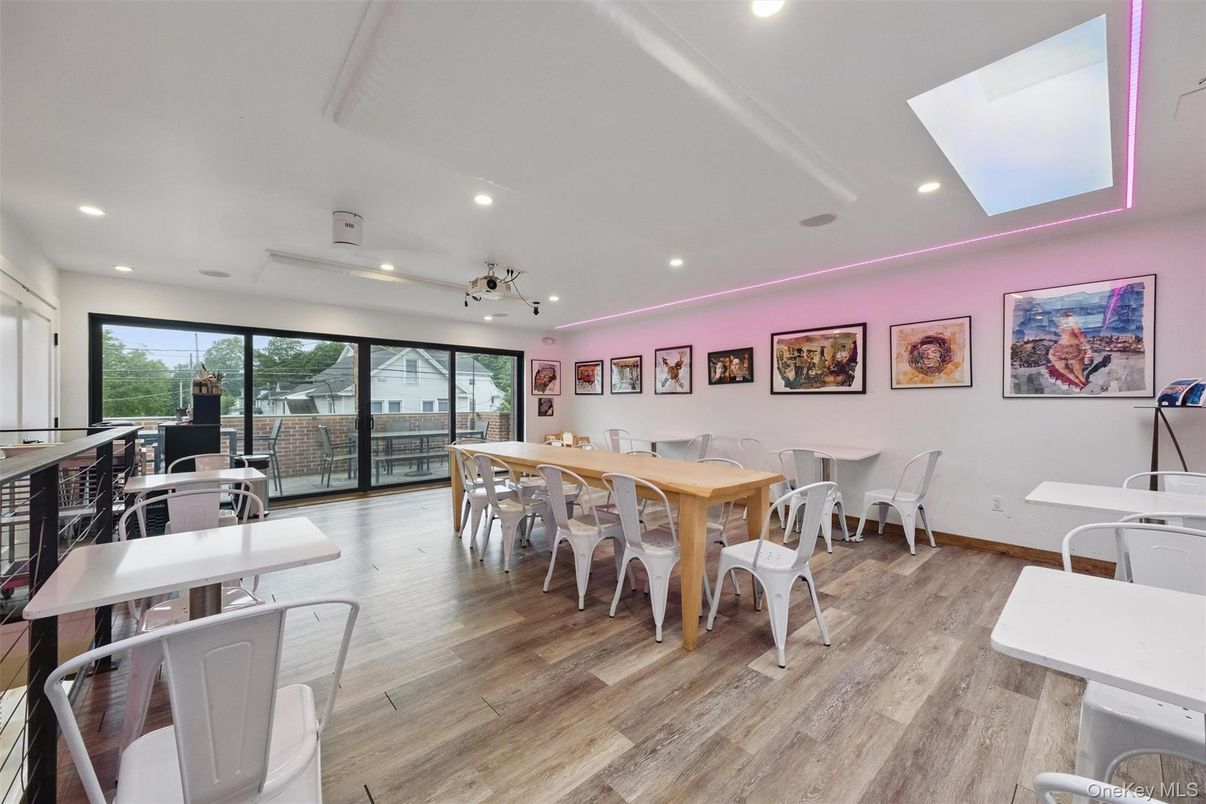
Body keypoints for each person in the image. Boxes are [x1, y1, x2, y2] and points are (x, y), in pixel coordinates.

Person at [1047, 310, 1091, 388]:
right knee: (1078, 370)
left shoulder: (1061, 322)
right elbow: (1079, 334)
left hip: (1060, 348)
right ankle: (1082, 383)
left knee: (1062, 368)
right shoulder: (1072, 320)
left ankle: (1077, 382)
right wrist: (1088, 349)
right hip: (1074, 347)